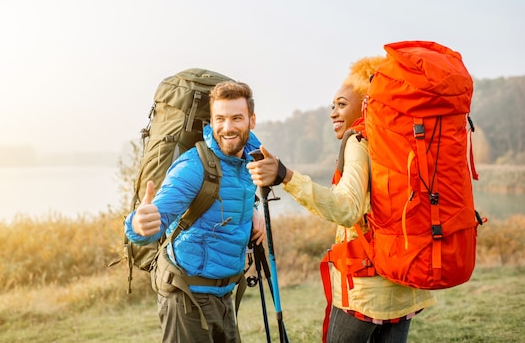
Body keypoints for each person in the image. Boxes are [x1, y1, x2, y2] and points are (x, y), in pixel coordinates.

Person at [246, 57, 436, 343]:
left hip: (367, 289)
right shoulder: (402, 143)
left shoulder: (359, 143)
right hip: (405, 283)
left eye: (342, 104)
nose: (333, 112)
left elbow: (347, 208)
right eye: (332, 106)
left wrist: (286, 176)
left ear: (367, 104)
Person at [124, 80, 266, 343]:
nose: (228, 127)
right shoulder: (193, 166)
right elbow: (157, 217)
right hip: (186, 296)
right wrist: (139, 226)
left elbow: (234, 194)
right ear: (210, 123)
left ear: (252, 120)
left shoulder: (250, 160)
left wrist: (254, 211)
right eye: (220, 119)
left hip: (223, 294)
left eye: (237, 118)